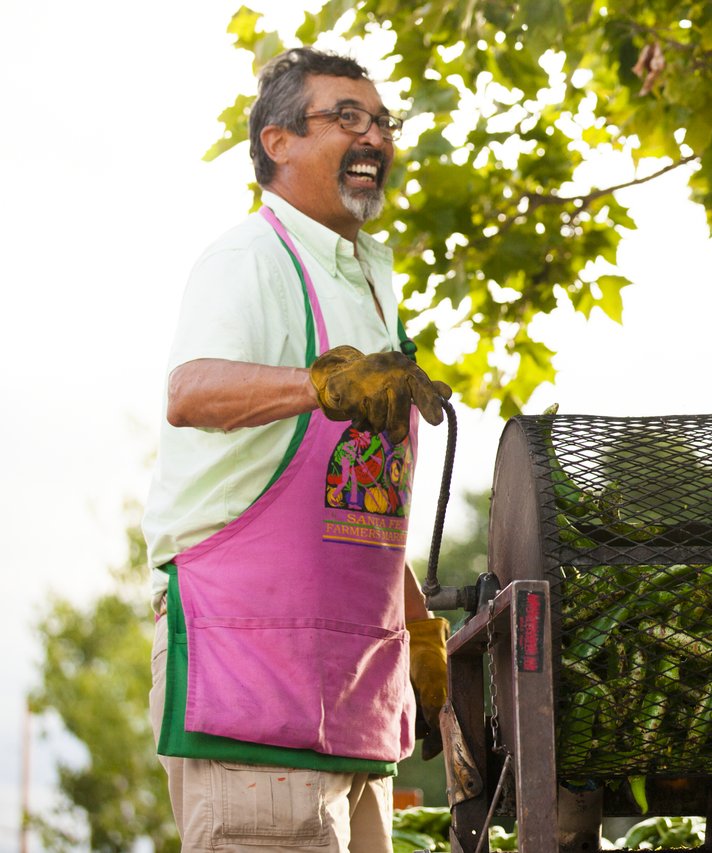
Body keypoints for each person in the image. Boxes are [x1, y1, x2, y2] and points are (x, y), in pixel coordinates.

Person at [143, 46, 452, 852]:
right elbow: (191, 391)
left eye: (381, 121)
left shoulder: (366, 283)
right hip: (256, 687)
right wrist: (323, 386)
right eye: (345, 117)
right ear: (277, 142)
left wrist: (412, 618)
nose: (373, 136)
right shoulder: (251, 257)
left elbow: (353, 488)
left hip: (355, 701)